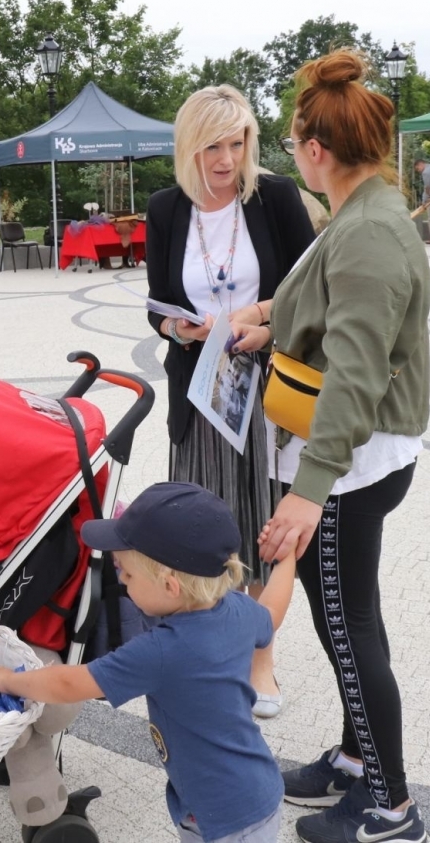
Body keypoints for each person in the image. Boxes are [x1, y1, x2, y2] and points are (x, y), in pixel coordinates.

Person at [227, 49, 430, 843]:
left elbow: (355, 373)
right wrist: (270, 319)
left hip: (351, 461)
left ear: (317, 151)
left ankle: (391, 809)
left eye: (291, 143)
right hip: (348, 453)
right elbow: (325, 299)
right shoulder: (361, 211)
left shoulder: (370, 231)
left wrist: (307, 492)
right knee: (344, 620)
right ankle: (355, 761)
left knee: (352, 633)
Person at [0, 483, 294, 843]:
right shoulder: (237, 610)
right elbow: (272, 614)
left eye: (127, 574)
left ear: (170, 586)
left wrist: (8, 680)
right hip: (250, 792)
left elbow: (69, 685)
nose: (120, 580)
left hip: (226, 819)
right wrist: (288, 558)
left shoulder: (162, 651)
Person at [145, 84, 316, 717]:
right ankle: (207, 657)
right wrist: (176, 327)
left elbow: (310, 291)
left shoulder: (273, 197)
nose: (226, 158)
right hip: (199, 393)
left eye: (237, 141)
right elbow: (156, 302)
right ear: (189, 145)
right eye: (213, 145)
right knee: (199, 532)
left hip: (266, 390)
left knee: (266, 529)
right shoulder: (166, 208)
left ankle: (259, 662)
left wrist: (264, 328)